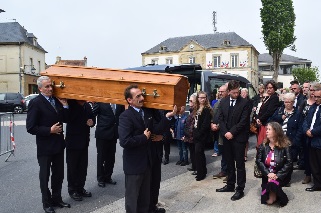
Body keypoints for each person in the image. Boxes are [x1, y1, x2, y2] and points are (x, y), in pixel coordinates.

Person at [118, 84, 176, 213]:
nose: (142, 98)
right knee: (133, 199)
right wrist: (143, 138)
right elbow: (125, 141)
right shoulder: (125, 116)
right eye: (138, 96)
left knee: (145, 197)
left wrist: (168, 117)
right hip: (134, 164)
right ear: (129, 100)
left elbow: (155, 130)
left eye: (142, 95)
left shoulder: (147, 112)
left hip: (148, 161)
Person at [26, 76, 70, 213]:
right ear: (40, 88)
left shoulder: (56, 100)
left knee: (58, 174)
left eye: (51, 86)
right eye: (47, 87)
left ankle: (57, 199)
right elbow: (31, 127)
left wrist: (65, 106)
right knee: (45, 176)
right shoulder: (36, 103)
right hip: (45, 147)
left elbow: (65, 119)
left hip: (58, 144)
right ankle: (46, 203)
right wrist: (49, 130)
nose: (50, 88)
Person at [216, 80, 250, 201]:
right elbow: (220, 118)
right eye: (234, 92)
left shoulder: (245, 103)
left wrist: (232, 132)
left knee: (239, 164)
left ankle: (240, 188)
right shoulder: (223, 102)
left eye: (238, 92)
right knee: (229, 162)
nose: (237, 94)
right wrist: (225, 132)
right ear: (229, 91)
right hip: (227, 138)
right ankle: (230, 184)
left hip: (239, 138)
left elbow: (243, 121)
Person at [270, 93, 303, 186]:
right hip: (279, 139)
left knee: (289, 161)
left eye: (289, 102)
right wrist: (280, 118)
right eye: (285, 102)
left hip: (291, 140)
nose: (287, 104)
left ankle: (286, 179)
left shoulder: (297, 113)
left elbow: (300, 129)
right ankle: (278, 178)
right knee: (278, 160)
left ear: (293, 102)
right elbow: (272, 121)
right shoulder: (280, 110)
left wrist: (296, 141)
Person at [256, 122, 292, 207]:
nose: (266, 131)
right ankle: (273, 191)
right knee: (263, 198)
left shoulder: (285, 145)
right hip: (267, 175)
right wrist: (268, 174)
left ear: (276, 132)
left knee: (272, 184)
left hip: (280, 175)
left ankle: (283, 197)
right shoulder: (263, 145)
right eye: (266, 129)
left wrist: (277, 175)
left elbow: (289, 162)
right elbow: (258, 161)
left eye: (269, 129)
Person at [65, 100, 95, 201]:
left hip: (84, 141)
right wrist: (78, 105)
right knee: (73, 168)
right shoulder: (71, 104)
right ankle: (72, 190)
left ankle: (80, 188)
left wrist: (92, 122)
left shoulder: (87, 105)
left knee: (82, 167)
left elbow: (92, 118)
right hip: (73, 142)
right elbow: (68, 118)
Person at [93, 102, 122, 187]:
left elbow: (121, 115)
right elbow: (93, 113)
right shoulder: (101, 102)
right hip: (102, 133)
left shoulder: (119, 103)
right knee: (101, 157)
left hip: (113, 133)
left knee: (111, 157)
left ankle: (108, 176)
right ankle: (101, 178)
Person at [302, 87, 321, 192]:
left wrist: (313, 132)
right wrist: (306, 130)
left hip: (318, 140)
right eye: (315, 96)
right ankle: (317, 184)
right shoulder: (313, 107)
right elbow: (305, 120)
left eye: (319, 97)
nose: (316, 99)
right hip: (310, 140)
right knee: (314, 165)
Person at [300, 82, 318, 184]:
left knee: (316, 157)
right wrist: (305, 130)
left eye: (313, 90)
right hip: (305, 132)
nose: (311, 92)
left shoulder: (317, 104)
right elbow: (301, 118)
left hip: (316, 134)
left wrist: (313, 131)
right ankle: (308, 174)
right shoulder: (304, 102)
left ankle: (317, 177)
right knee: (306, 155)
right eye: (310, 90)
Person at [193, 91, 212, 181]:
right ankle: (202, 171)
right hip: (196, 133)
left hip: (202, 135)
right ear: (198, 98)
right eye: (201, 97)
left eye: (204, 97)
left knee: (198, 153)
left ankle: (201, 173)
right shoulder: (197, 108)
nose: (202, 99)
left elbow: (205, 124)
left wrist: (199, 133)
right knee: (199, 154)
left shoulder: (206, 109)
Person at [211, 84, 229, 182]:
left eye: (222, 91)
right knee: (223, 153)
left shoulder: (229, 103)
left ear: (227, 91)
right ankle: (223, 170)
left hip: (226, 132)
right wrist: (212, 124)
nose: (220, 93)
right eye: (219, 91)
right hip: (219, 133)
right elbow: (214, 115)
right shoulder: (219, 102)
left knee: (228, 153)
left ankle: (229, 173)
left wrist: (218, 125)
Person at [256, 80, 280, 147]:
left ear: (274, 88)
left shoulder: (274, 98)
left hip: (268, 124)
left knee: (265, 144)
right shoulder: (268, 97)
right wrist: (258, 118)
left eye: (270, 88)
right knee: (261, 144)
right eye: (267, 88)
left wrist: (260, 119)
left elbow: (269, 111)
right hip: (263, 123)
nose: (268, 89)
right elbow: (261, 109)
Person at [184, 93, 197, 173]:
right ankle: (194, 166)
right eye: (189, 101)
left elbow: (193, 126)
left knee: (195, 154)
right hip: (189, 137)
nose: (189, 103)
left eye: (191, 101)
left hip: (193, 137)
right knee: (192, 153)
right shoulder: (191, 111)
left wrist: (189, 135)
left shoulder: (196, 112)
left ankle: (196, 168)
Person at [240, 88, 253, 162]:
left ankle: (245, 155)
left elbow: (248, 111)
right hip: (239, 123)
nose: (243, 94)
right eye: (242, 93)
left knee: (245, 140)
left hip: (246, 123)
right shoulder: (238, 101)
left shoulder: (250, 101)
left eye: (245, 93)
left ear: (247, 94)